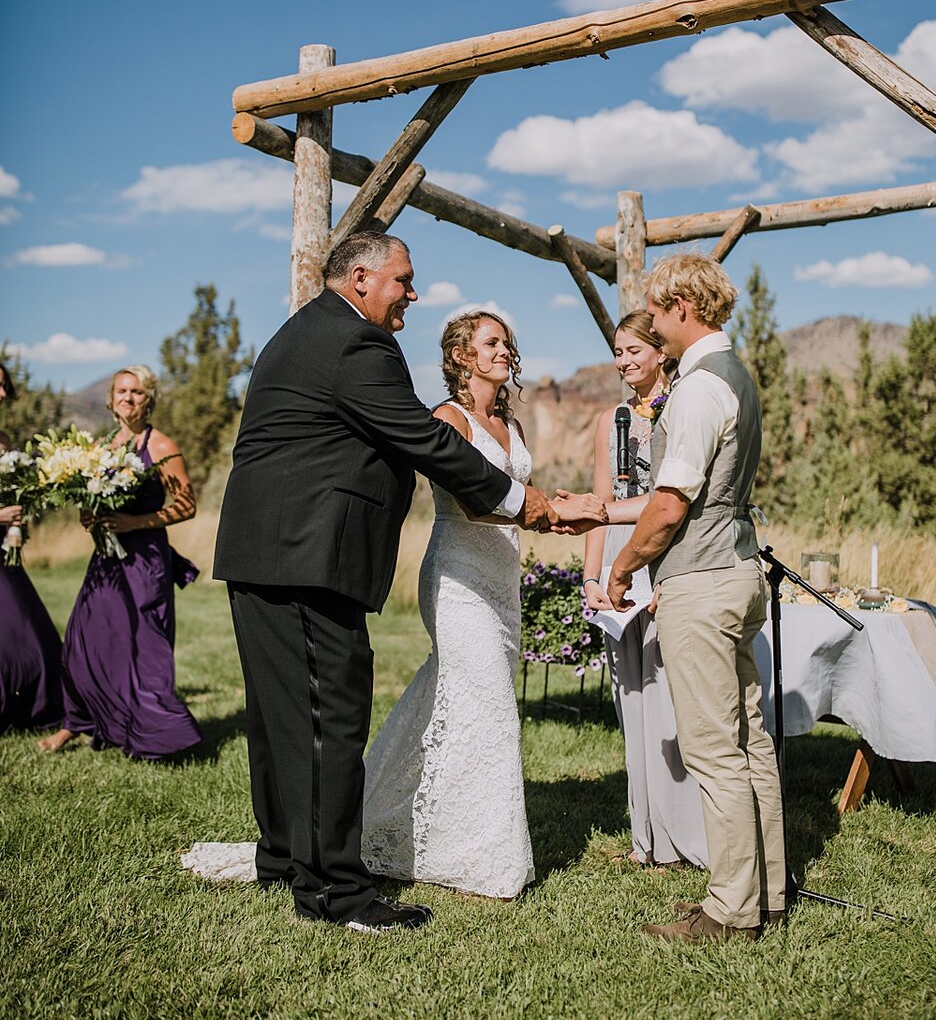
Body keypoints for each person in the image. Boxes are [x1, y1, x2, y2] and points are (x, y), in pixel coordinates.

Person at [211, 230, 605, 934]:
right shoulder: (358, 343)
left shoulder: (311, 331)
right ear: (361, 278)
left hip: (270, 552)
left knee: (281, 720)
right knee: (327, 718)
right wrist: (531, 504)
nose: (412, 295)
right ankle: (337, 892)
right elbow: (421, 440)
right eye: (404, 280)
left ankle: (283, 856)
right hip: (307, 557)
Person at [606, 254, 785, 944]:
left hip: (703, 582)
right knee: (749, 740)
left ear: (683, 305)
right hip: (737, 574)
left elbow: (671, 501)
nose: (650, 322)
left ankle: (731, 910)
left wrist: (624, 566)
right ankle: (766, 893)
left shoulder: (701, 388)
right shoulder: (734, 374)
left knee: (715, 752)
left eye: (655, 310)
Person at [361, 309, 537, 897]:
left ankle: (413, 819)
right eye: (491, 343)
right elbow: (471, 503)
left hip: (501, 575)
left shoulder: (507, 419)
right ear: (462, 356)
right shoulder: (449, 419)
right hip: (459, 576)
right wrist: (553, 514)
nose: (504, 351)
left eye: (507, 343)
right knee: (486, 704)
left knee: (465, 700)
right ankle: (482, 855)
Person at [583, 313, 707, 872]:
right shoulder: (609, 421)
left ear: (661, 352)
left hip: (666, 565)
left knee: (670, 707)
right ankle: (647, 837)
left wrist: (660, 576)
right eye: (617, 351)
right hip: (617, 571)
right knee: (631, 704)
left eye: (634, 349)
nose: (624, 360)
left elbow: (676, 504)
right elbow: (599, 509)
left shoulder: (682, 409)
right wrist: (591, 578)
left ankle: (687, 837)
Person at [40, 366, 201, 760]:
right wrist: (90, 515)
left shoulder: (161, 446)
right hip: (106, 559)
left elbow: (186, 504)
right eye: (122, 391)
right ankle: (76, 722)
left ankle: (158, 733)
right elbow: (92, 497)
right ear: (111, 399)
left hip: (146, 561)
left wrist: (134, 522)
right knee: (83, 638)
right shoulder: (99, 446)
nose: (128, 398)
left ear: (149, 400)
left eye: (138, 392)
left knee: (145, 647)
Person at [0, 362, 64, 734]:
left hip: (5, 551)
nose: (4, 393)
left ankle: (32, 707)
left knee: (29, 634)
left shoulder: (4, 441)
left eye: (5, 385)